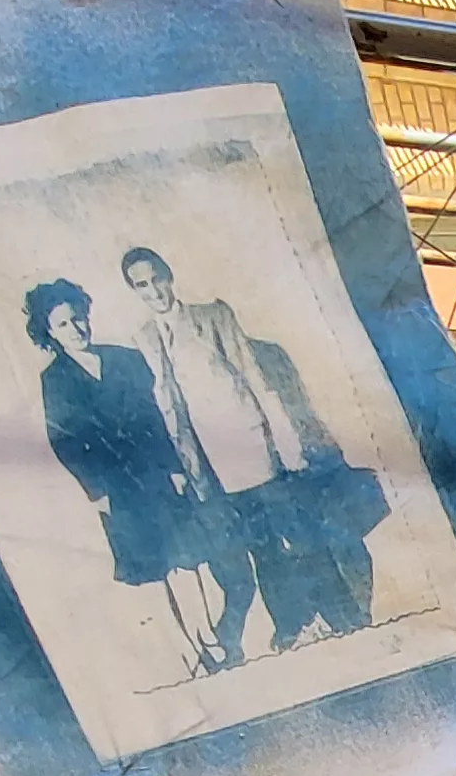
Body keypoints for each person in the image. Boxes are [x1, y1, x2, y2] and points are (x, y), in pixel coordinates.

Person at [120, 245, 377, 662]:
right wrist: (188, 466)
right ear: (134, 291)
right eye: (142, 285)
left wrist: (287, 443)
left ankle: (344, 616)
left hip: (254, 445)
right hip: (210, 461)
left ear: (169, 276)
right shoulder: (146, 338)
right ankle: (290, 624)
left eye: (157, 279)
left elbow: (254, 377)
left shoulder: (213, 316)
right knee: (260, 545)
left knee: (298, 533)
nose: (153, 291)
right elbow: (169, 404)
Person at [23, 279, 211, 675]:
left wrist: (174, 469)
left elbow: (154, 418)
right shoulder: (54, 380)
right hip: (116, 487)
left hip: (155, 473)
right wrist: (97, 492)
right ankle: (186, 650)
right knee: (150, 567)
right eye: (62, 324)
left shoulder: (125, 359)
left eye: (77, 318)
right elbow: (65, 442)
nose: (75, 329)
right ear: (49, 333)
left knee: (187, 556)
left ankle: (206, 634)